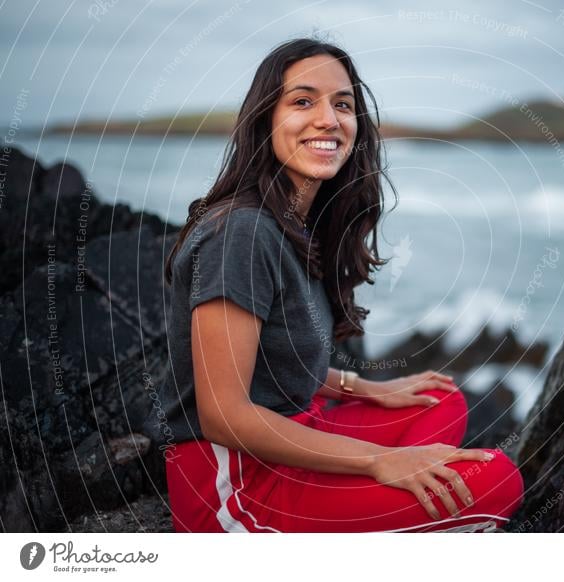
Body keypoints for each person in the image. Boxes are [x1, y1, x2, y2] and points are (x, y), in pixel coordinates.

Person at [155, 37, 523, 533]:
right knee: (496, 480)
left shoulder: (293, 226)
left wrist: (364, 387)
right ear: (266, 119)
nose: (328, 119)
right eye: (303, 101)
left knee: (438, 399)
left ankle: (362, 518)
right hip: (235, 484)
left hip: (295, 435)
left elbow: (270, 360)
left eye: (342, 104)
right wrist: (376, 461)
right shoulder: (240, 233)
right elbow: (224, 414)